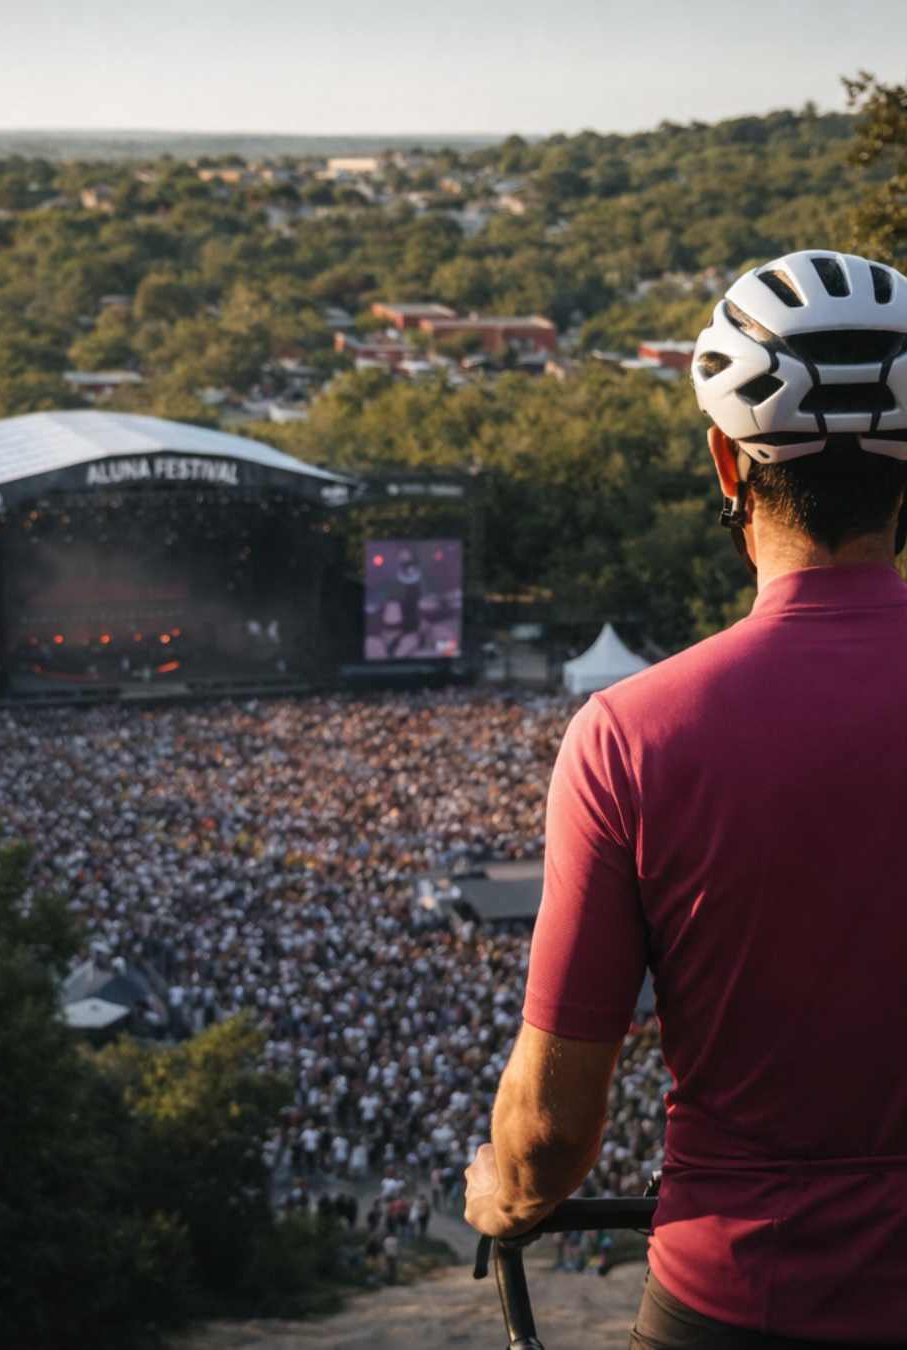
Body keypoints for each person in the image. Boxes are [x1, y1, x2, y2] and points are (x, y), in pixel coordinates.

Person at [465, 250, 907, 1346]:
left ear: (725, 461)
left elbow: (552, 1128)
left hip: (741, 1295)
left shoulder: (633, 736)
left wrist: (503, 1193)